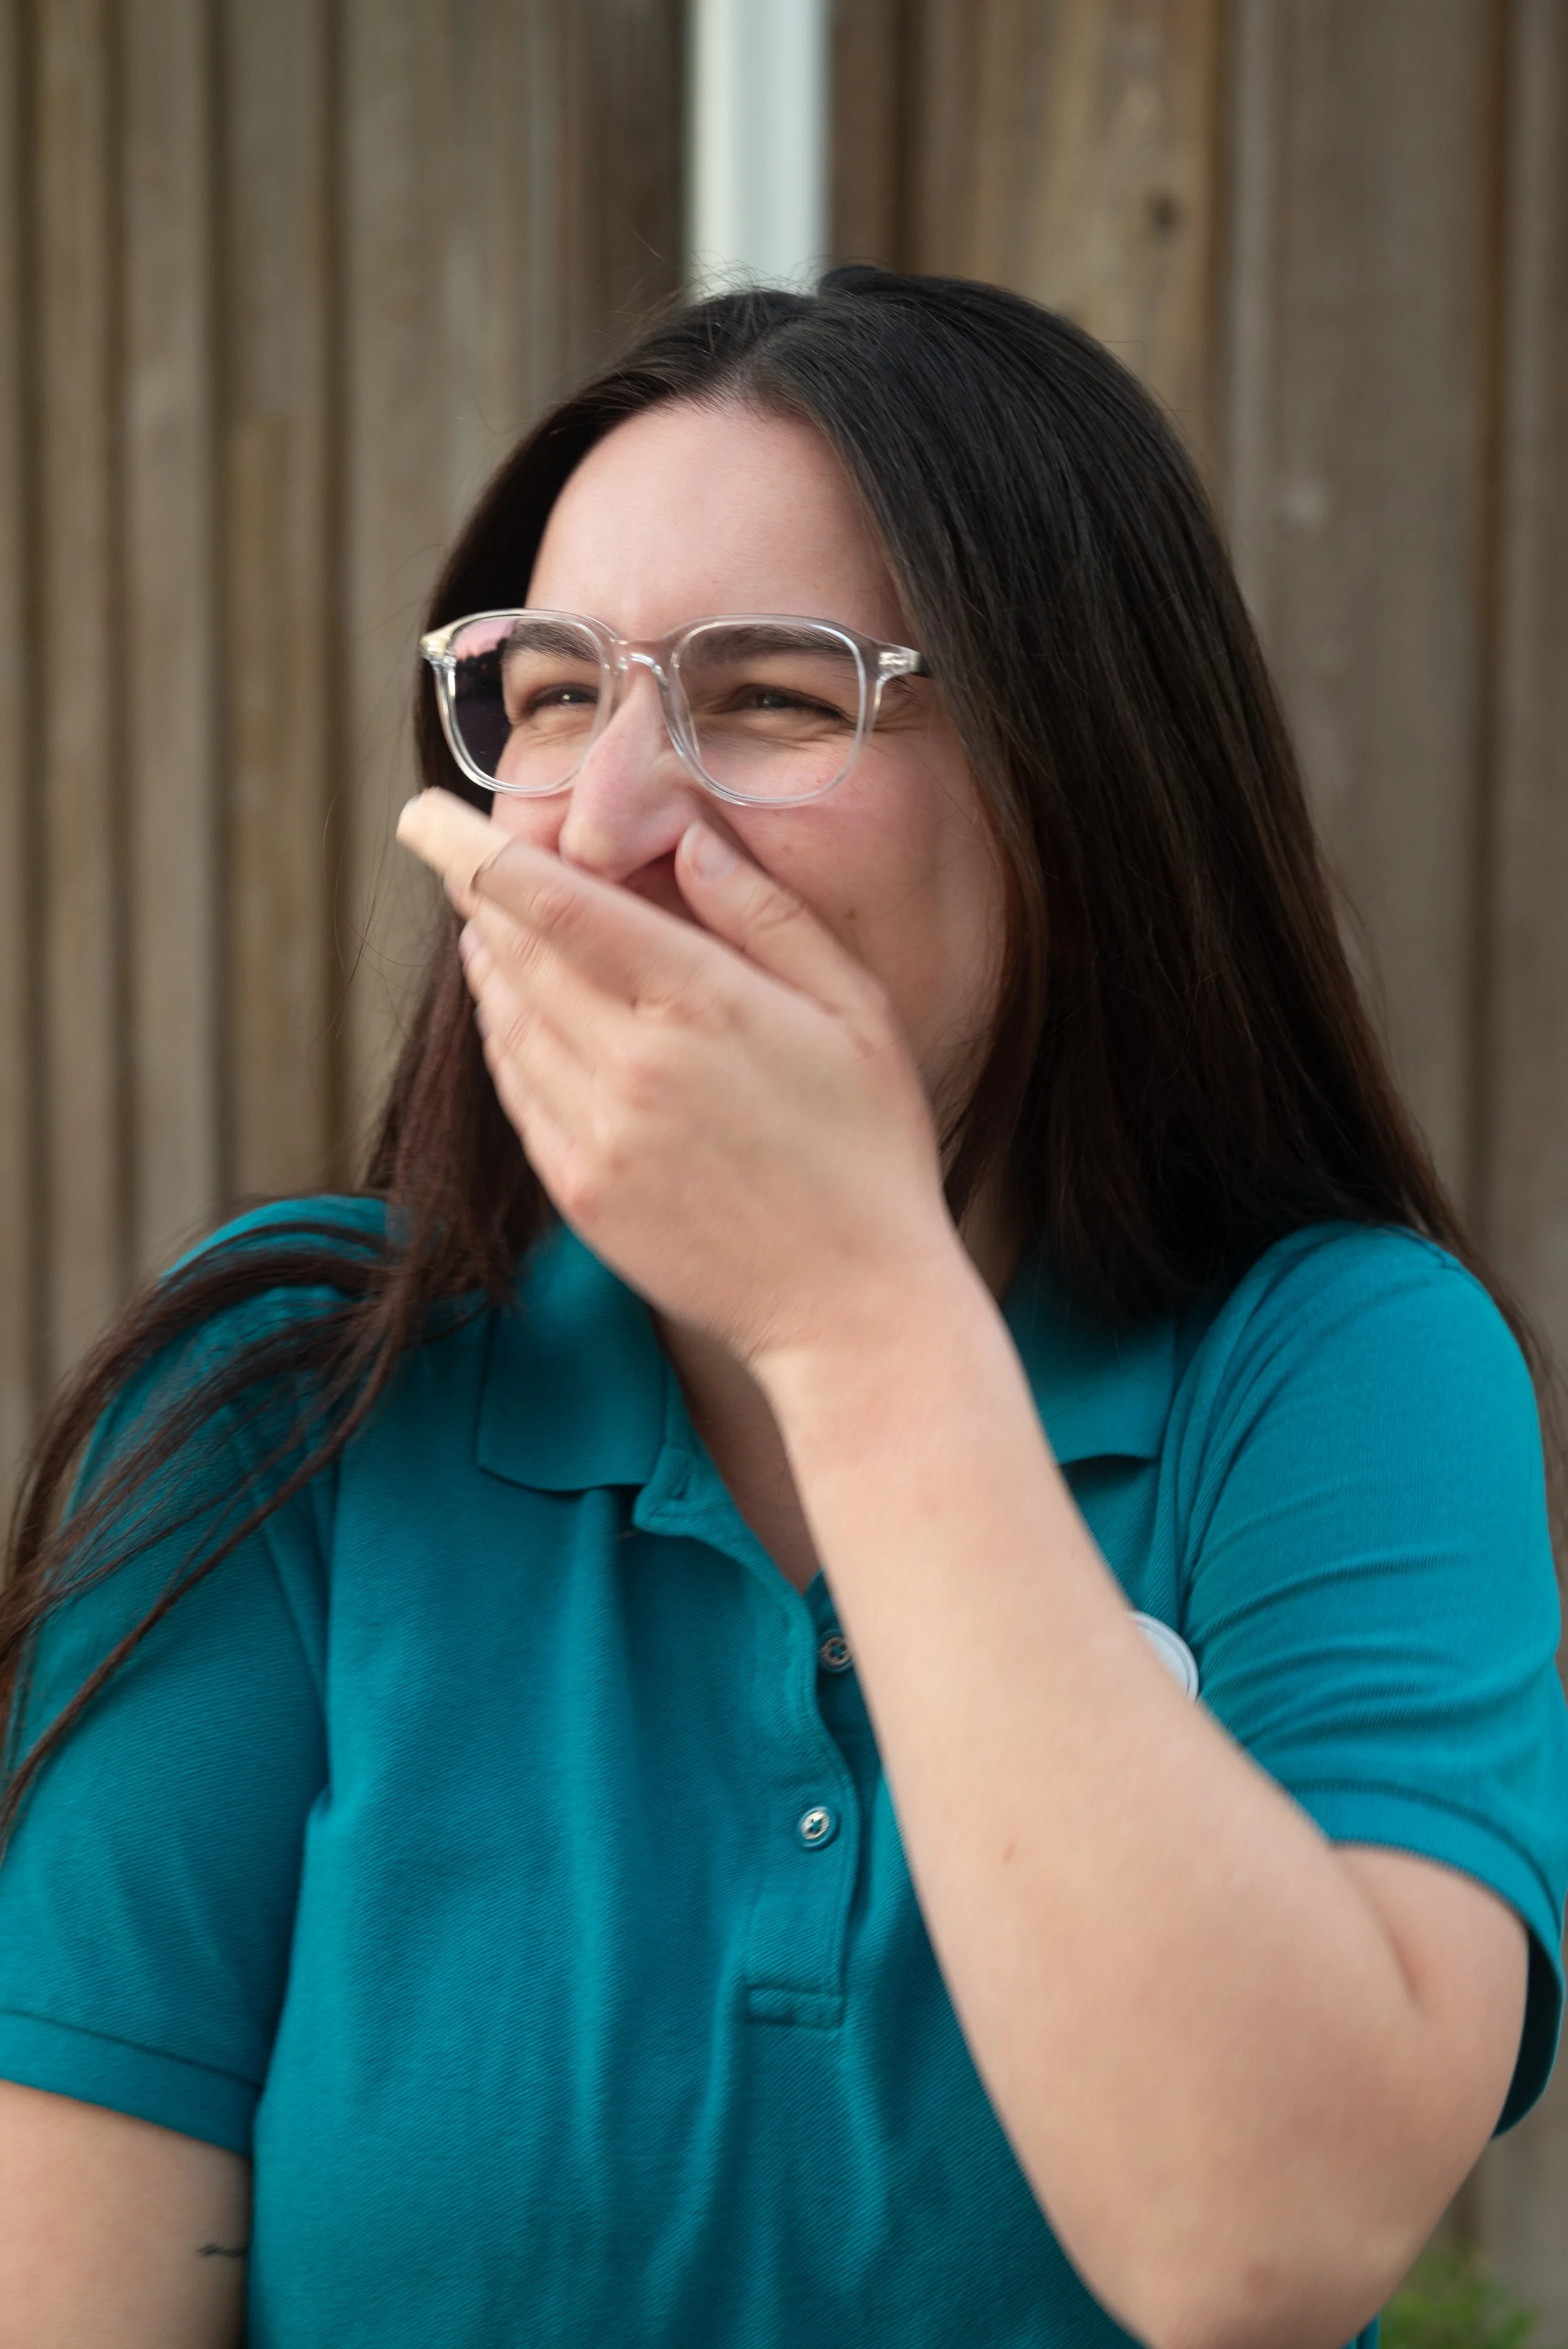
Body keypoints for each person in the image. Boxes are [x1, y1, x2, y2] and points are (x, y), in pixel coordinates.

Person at [1, 268, 1564, 2349]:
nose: (612, 824)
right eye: (552, 693)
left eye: (768, 693)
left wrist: (854, 1316)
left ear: (1073, 783)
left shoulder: (1336, 1375)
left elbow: (1260, 2248)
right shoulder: (282, 1403)